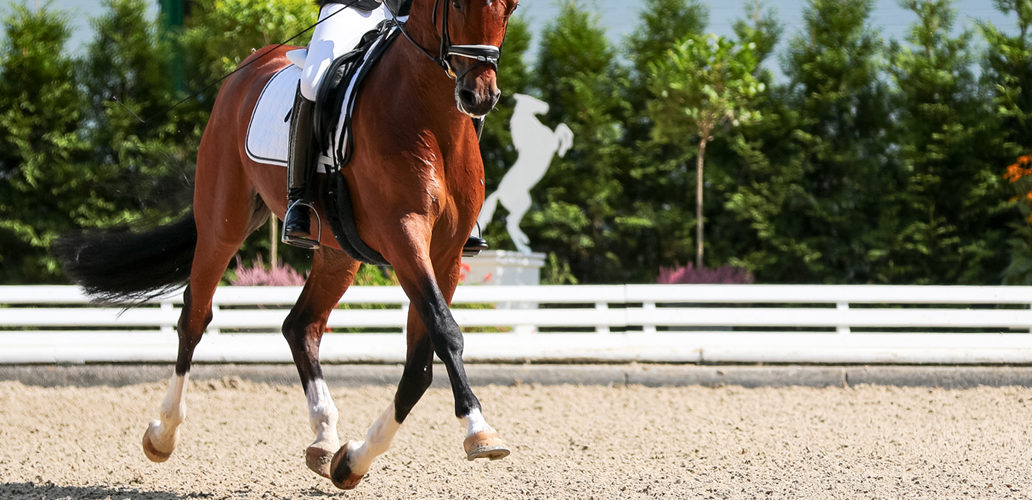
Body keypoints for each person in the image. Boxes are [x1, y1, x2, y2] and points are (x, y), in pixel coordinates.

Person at [282, 0, 399, 248]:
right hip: (349, 7)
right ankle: (299, 200)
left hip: (412, 12)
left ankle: (463, 206)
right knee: (312, 83)